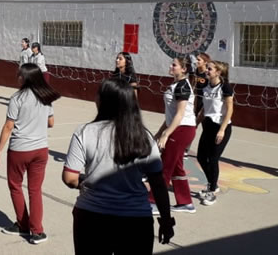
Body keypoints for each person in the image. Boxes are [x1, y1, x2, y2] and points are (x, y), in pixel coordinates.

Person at [62, 79, 174, 254]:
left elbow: (70, 178)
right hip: (136, 220)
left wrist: (85, 182)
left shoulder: (85, 132)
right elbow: (158, 184)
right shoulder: (144, 136)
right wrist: (166, 221)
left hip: (91, 217)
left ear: (103, 101)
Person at [0, 63, 59, 245]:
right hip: (41, 149)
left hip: (20, 149)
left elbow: (9, 125)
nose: (18, 78)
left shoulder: (17, 98)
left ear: (26, 78)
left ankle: (23, 224)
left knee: (15, 185)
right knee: (35, 190)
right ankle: (37, 231)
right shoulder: (46, 97)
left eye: (20, 75)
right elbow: (51, 123)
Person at [150, 56, 197, 214]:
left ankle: (154, 201)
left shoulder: (183, 86)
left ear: (184, 69)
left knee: (164, 165)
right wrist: (160, 132)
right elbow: (171, 115)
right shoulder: (176, 85)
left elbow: (180, 114)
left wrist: (166, 134)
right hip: (177, 127)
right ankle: (186, 202)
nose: (171, 66)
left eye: (174, 65)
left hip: (182, 129)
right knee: (176, 167)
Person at [196, 60, 234, 205]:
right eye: (207, 68)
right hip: (207, 126)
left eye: (210, 69)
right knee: (201, 157)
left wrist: (222, 130)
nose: (206, 70)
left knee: (213, 159)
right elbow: (204, 109)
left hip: (220, 127)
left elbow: (230, 109)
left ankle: (211, 192)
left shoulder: (225, 87)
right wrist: (196, 124)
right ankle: (212, 183)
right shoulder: (205, 87)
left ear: (218, 72)